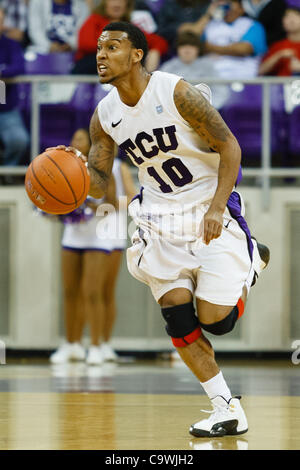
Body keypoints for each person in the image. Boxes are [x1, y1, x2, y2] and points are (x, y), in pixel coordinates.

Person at [53, 22, 270, 437]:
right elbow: (100, 179)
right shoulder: (105, 114)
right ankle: (225, 406)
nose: (100, 54)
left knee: (217, 322)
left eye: (112, 47)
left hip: (208, 204)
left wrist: (217, 206)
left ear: (137, 54)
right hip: (157, 215)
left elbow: (230, 148)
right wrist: (78, 172)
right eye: (98, 48)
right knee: (177, 313)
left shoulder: (176, 92)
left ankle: (252, 260)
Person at [50, 128, 136, 365]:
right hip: (75, 233)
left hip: (104, 233)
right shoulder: (67, 166)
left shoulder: (116, 167)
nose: (74, 142)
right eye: (73, 138)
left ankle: (99, 345)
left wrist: (99, 207)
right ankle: (72, 344)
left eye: (79, 139)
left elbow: (130, 197)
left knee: (97, 292)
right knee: (70, 292)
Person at [73, 0, 168, 74]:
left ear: (127, 5)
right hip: (92, 66)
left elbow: (159, 42)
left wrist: (155, 51)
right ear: (105, 3)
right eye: (113, 0)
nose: (117, 5)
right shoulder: (94, 20)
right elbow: (85, 44)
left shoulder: (129, 27)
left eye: (121, 1)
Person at [0, 7, 29, 168]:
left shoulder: (11, 45)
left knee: (19, 139)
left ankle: (7, 170)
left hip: (6, 108)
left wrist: (1, 71)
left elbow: (19, 67)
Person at [259, 1, 300, 76]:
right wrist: (278, 56)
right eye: (287, 16)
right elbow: (260, 71)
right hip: (280, 86)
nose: (291, 20)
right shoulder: (277, 46)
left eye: (296, 15)